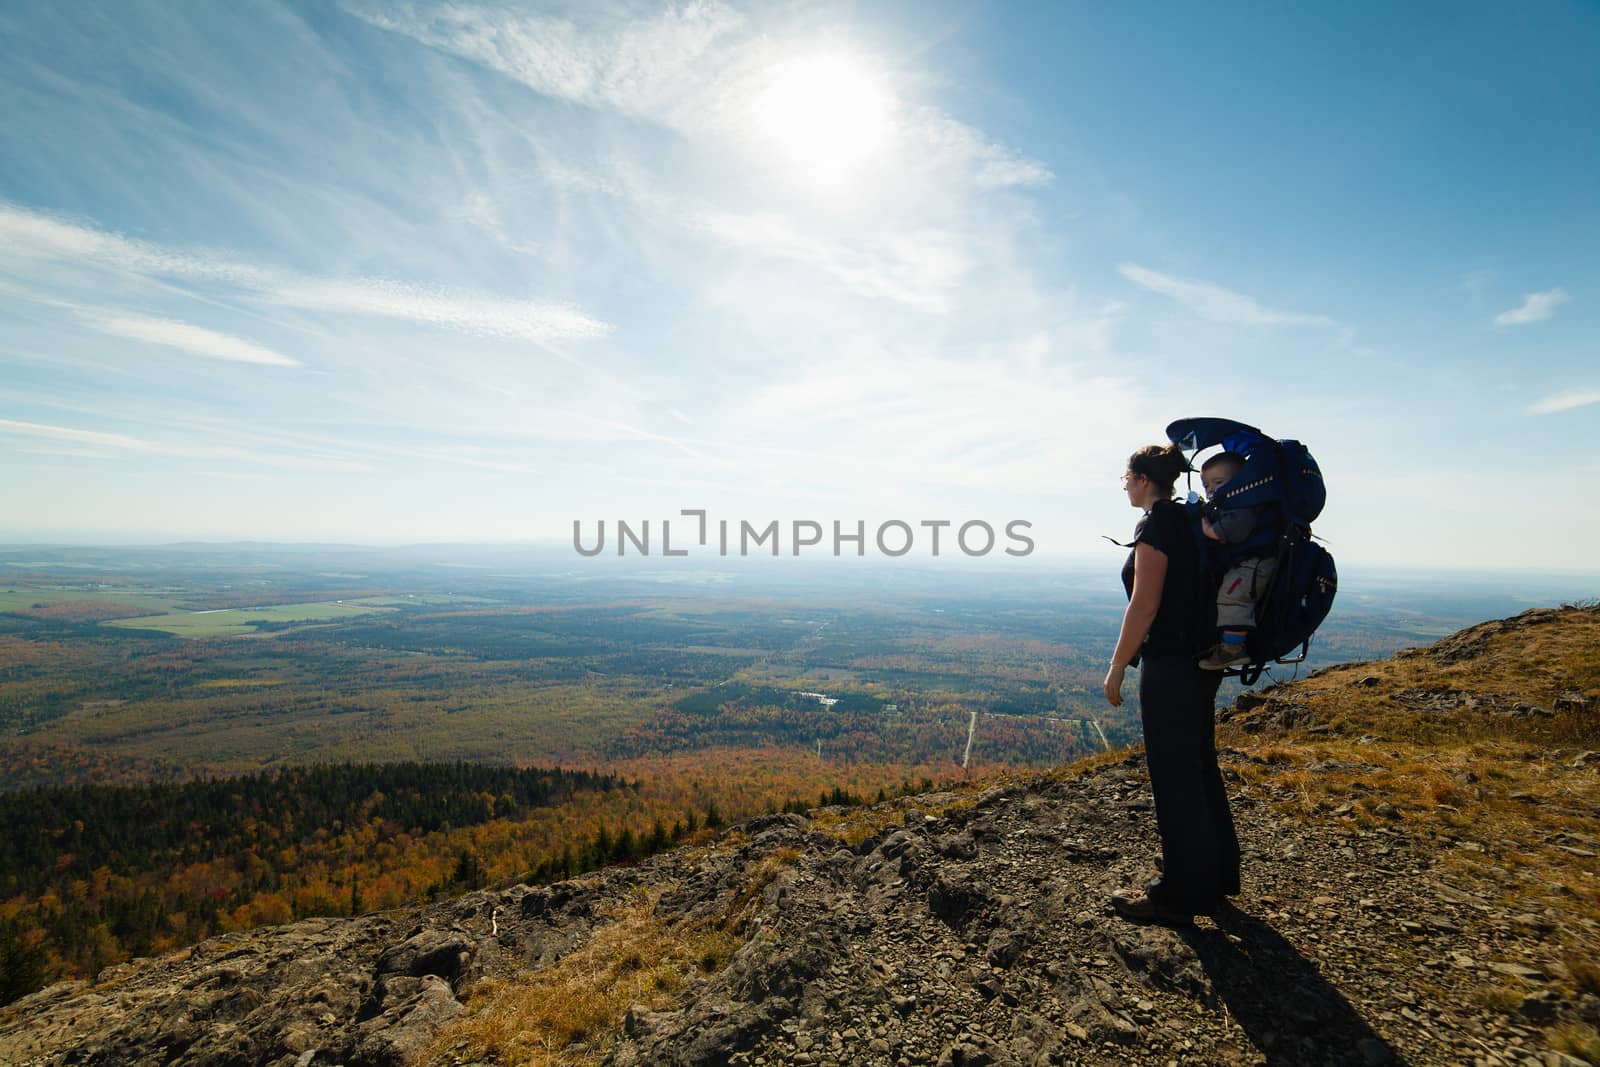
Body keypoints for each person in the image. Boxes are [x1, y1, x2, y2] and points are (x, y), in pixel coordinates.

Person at [1103, 443, 1241, 924]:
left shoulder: (1157, 524)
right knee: (1199, 763)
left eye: (1126, 477)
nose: (1124, 484)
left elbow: (1144, 605)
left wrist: (1118, 665)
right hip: (1203, 660)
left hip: (1170, 664)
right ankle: (1216, 872)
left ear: (1143, 479)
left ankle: (1180, 893)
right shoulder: (1190, 519)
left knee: (1173, 774)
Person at [1195, 451, 1280, 670]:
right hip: (1251, 562)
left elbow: (1230, 531)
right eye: (1206, 485)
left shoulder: (1243, 506)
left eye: (1218, 482)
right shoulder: (1237, 504)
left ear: (1241, 482)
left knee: (1232, 598)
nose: (1211, 489)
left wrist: (1207, 528)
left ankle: (1233, 650)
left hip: (1254, 563)